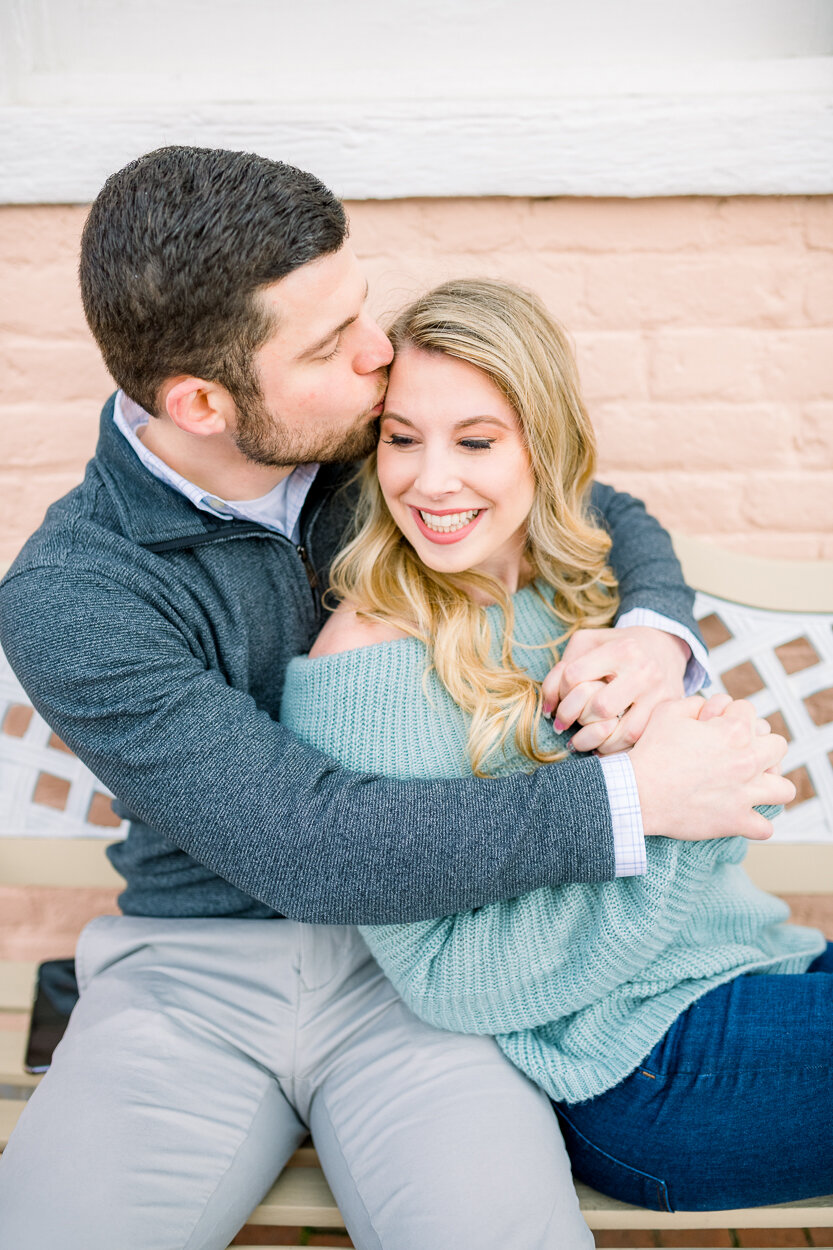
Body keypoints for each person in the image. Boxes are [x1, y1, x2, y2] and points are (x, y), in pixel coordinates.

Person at [0, 147, 791, 1249]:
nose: (378, 354)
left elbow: (596, 502)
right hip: (197, 970)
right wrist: (630, 800)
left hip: (419, 968)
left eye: (359, 309)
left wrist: (650, 638)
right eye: (329, 343)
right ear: (201, 401)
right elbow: (308, 841)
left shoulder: (373, 443)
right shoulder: (76, 596)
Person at [280, 276, 830, 1216]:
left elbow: (626, 525)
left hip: (756, 966)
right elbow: (450, 980)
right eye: (401, 439)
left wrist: (678, 709)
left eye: (477, 441)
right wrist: (689, 815)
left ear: (546, 443)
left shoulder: (575, 582)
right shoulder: (366, 663)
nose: (430, 480)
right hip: (636, 1062)